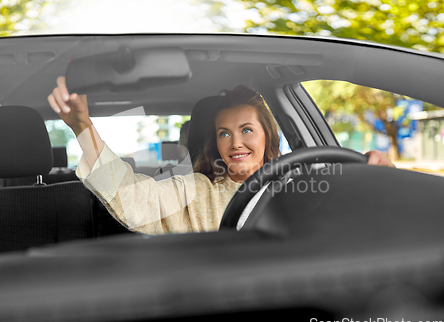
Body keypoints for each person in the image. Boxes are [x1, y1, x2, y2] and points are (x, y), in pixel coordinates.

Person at [48, 77, 395, 234]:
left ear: (267, 135)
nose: (235, 143)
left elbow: (355, 211)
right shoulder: (196, 191)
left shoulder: (305, 180)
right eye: (224, 133)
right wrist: (84, 129)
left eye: (246, 130)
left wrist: (375, 175)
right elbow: (134, 198)